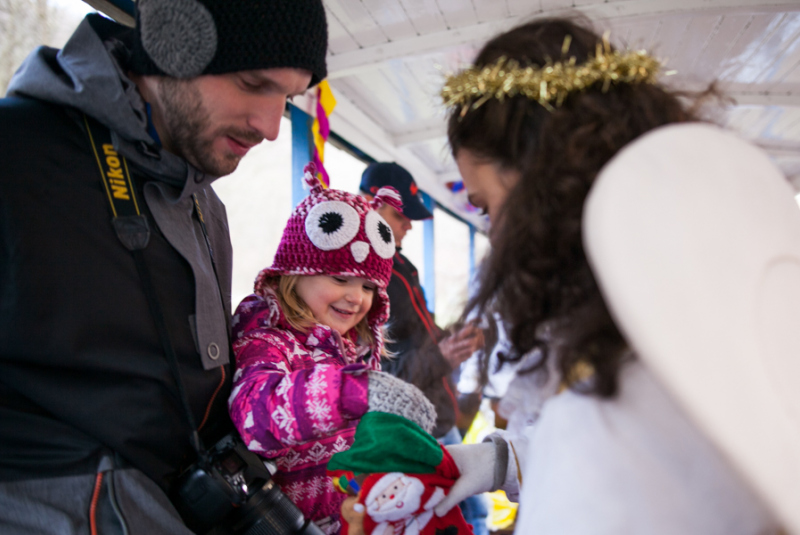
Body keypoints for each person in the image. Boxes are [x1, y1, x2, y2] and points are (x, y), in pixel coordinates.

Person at [344, 16, 783, 535]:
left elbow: (602, 451)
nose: (494, 236)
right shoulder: (677, 311)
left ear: (547, 187)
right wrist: (495, 463)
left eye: (486, 207)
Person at [0, 1, 327, 533]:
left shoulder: (207, 206)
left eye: (287, 99)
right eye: (252, 83)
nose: (270, 126)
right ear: (174, 46)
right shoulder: (16, 150)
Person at [229, 167, 436, 535]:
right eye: (340, 278)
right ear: (295, 272)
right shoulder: (267, 338)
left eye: (369, 287)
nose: (356, 298)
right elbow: (254, 418)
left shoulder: (344, 351)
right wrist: (355, 391)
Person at [359, 162, 488, 534]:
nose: (408, 225)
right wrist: (444, 355)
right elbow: (381, 374)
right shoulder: (366, 276)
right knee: (464, 515)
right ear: (370, 203)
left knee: (473, 512)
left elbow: (424, 333)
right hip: (415, 427)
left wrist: (457, 337)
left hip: (440, 414)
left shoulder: (402, 266)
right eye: (401, 215)